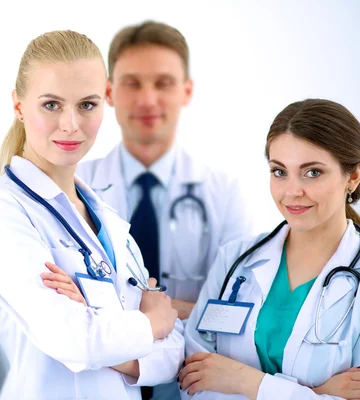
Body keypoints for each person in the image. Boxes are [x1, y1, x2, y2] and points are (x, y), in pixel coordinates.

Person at [0, 29, 184, 400]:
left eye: (87, 105)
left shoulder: (110, 221)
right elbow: (70, 339)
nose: (71, 124)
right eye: (51, 105)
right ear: (19, 106)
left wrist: (104, 327)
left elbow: (173, 355)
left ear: (105, 103)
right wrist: (151, 323)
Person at [76, 22, 253, 398]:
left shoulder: (223, 192)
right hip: (102, 380)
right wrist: (180, 311)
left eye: (164, 83)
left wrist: (126, 312)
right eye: (132, 83)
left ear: (186, 91)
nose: (147, 99)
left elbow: (236, 313)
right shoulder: (75, 186)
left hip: (192, 382)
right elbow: (62, 305)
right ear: (108, 92)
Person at [180, 99, 360, 400]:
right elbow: (193, 382)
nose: (292, 191)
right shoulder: (235, 261)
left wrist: (246, 382)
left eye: (312, 172)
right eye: (279, 172)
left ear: (353, 177)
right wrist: (313, 394)